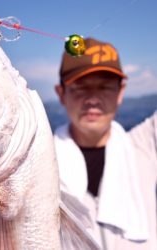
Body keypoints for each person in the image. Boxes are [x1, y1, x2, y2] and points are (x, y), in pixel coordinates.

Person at [54, 37, 157, 250]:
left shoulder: (146, 145)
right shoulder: (38, 166)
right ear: (61, 93)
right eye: (80, 87)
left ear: (121, 92)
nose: (93, 99)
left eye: (105, 87)